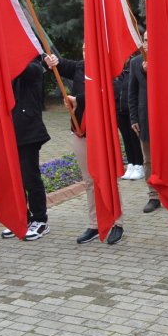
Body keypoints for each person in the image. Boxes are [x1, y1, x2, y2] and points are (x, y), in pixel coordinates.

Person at [46, 49, 125, 245]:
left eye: (88, 47)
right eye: (82, 48)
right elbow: (62, 64)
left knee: (106, 179)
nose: (84, 51)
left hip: (102, 133)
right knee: (89, 181)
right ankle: (94, 224)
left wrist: (77, 100)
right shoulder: (80, 66)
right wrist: (53, 60)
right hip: (80, 131)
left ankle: (116, 222)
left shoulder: (109, 69)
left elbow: (111, 91)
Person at [1, 55, 52, 241]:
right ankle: (23, 217)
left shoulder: (34, 67)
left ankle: (40, 220)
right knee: (16, 179)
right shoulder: (10, 70)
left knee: (30, 178)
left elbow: (23, 69)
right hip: (10, 132)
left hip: (29, 132)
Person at [128, 32, 160, 214]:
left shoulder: (165, 59)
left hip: (164, 118)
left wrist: (152, 70)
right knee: (148, 160)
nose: (148, 43)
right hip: (144, 118)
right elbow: (132, 93)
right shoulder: (135, 62)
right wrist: (133, 118)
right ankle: (153, 196)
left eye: (151, 39)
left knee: (167, 157)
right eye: (145, 40)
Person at [114, 58, 144, 180]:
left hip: (131, 111)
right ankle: (131, 163)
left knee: (134, 139)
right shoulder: (117, 74)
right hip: (120, 111)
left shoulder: (132, 68)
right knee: (126, 138)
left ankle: (139, 164)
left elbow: (133, 91)